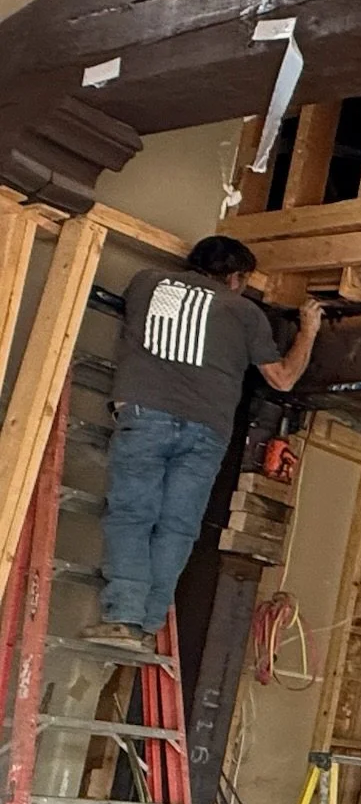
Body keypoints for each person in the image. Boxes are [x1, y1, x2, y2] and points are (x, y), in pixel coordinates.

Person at [83, 237, 323, 649]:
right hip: (207, 431)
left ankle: (123, 614)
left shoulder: (146, 282)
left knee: (132, 514)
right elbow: (283, 378)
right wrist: (309, 331)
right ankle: (146, 624)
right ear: (236, 278)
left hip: (146, 415)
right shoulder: (245, 312)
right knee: (177, 526)